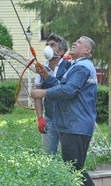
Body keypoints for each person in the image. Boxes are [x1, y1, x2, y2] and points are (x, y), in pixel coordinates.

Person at [31, 36, 98, 186]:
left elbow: (68, 91)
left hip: (75, 125)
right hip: (74, 125)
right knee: (74, 168)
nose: (75, 42)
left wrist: (43, 93)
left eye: (79, 42)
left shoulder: (82, 67)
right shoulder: (78, 66)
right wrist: (46, 76)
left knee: (74, 169)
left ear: (87, 51)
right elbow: (62, 86)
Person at [33, 34, 71, 155]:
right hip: (50, 118)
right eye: (48, 45)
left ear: (61, 51)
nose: (48, 48)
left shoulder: (70, 67)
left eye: (52, 45)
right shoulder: (41, 69)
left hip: (67, 119)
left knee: (70, 158)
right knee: (47, 156)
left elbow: (66, 90)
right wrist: (40, 118)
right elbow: (37, 95)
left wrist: (47, 76)